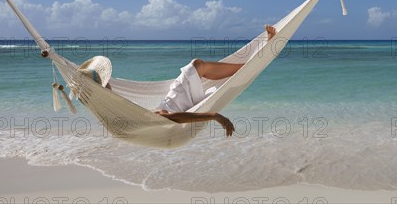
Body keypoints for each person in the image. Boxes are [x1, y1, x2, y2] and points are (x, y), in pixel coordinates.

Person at [78, 25, 277, 138]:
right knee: (197, 66)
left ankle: (255, 59)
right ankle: (256, 58)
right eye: (106, 84)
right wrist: (215, 115)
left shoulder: (113, 111)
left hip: (172, 100)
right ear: (103, 91)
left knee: (197, 66)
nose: (110, 83)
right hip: (181, 105)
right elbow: (166, 115)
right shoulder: (124, 115)